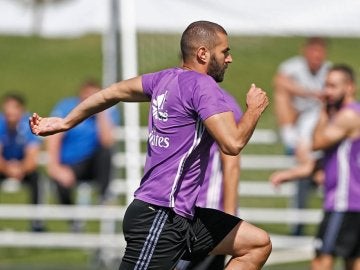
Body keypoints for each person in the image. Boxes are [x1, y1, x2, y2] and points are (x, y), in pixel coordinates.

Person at [30, 20, 271, 269]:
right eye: (224, 51)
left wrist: (67, 122)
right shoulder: (203, 85)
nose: (229, 59)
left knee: (256, 244)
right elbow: (232, 144)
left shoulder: (163, 79)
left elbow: (112, 92)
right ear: (202, 53)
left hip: (183, 216)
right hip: (160, 216)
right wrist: (253, 110)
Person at [270, 64, 360, 270]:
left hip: (344, 203)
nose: (327, 91)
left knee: (321, 261)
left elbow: (317, 142)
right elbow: (330, 160)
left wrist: (322, 110)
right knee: (353, 262)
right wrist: (290, 174)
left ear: (349, 87)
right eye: (325, 85)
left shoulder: (347, 116)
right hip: (353, 204)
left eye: (333, 86)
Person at [176, 90, 242, 270]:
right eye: (224, 58)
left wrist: (229, 218)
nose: (229, 59)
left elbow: (231, 164)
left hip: (207, 212)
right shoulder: (176, 94)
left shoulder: (221, 103)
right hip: (178, 210)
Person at [273, 37, 332, 235]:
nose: (317, 56)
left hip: (317, 122)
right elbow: (279, 82)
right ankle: (309, 162)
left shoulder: (329, 70)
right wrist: (311, 93)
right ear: (305, 51)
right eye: (313, 51)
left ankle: (312, 167)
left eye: (320, 52)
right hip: (297, 121)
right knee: (282, 95)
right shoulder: (293, 67)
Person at [46, 79, 118, 230]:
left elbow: (107, 141)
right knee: (59, 182)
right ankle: (74, 222)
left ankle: (104, 197)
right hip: (70, 164)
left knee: (106, 153)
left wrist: (100, 112)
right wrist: (55, 167)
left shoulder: (108, 111)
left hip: (93, 164)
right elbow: (54, 138)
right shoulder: (66, 107)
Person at [0, 92, 45, 232]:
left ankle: (36, 223)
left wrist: (20, 169)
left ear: (22, 110)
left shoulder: (30, 125)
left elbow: (32, 157)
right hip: (3, 167)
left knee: (37, 179)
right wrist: (8, 169)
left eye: (13, 108)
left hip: (23, 168)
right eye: (7, 109)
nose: (10, 113)